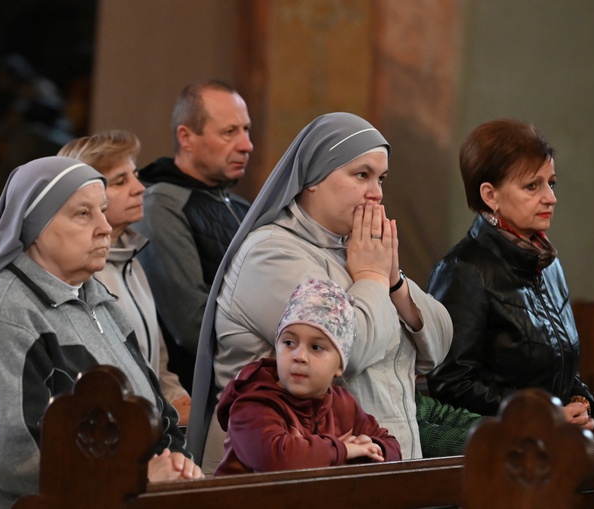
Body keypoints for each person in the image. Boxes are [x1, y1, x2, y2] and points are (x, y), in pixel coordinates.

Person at [0, 156, 202, 509]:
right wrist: (138, 476)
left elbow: (155, 410)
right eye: (83, 214)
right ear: (35, 226)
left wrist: (178, 463)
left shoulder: (100, 301)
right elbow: (13, 458)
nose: (105, 227)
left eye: (102, 210)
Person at [188, 112, 453, 471]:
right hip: (285, 482)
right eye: (362, 175)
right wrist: (374, 277)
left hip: (377, 469)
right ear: (313, 177)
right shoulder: (269, 253)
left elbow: (437, 350)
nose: (376, 193)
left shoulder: (357, 253)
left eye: (381, 178)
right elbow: (348, 353)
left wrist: (395, 284)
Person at [426, 118, 594, 429]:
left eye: (551, 183)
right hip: (501, 452)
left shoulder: (547, 263)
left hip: (555, 441)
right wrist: (543, 413)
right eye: (533, 185)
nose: (551, 197)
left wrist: (580, 402)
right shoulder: (463, 271)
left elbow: (559, 365)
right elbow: (451, 384)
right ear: (490, 196)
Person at [57, 130, 192, 424]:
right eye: (120, 181)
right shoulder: (78, 276)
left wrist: (177, 397)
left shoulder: (132, 257)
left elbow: (159, 364)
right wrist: (164, 416)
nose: (140, 188)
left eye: (135, 175)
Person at [131, 79, 253, 390]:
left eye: (246, 130)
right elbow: (191, 324)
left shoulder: (242, 206)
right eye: (229, 132)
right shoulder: (160, 205)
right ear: (186, 137)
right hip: (200, 395)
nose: (246, 145)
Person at [215, 278, 401, 475]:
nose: (299, 356)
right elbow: (276, 459)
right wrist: (343, 449)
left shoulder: (344, 405)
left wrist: (369, 447)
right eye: (289, 343)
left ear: (339, 365)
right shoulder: (253, 403)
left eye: (316, 347)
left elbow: (393, 449)